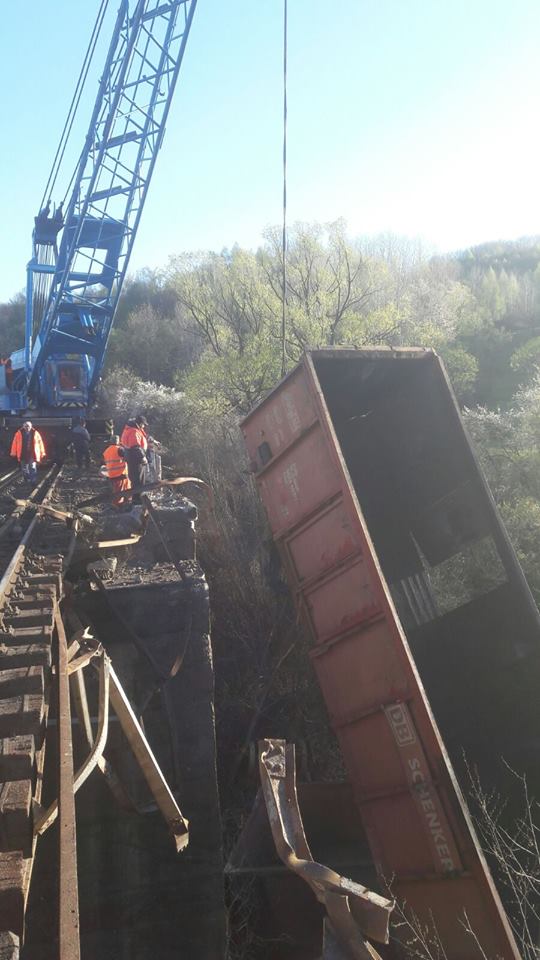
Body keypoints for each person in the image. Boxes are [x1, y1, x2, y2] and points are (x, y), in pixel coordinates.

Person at [120, 414, 148, 505]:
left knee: (135, 480)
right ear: (139, 423)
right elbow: (135, 446)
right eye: (143, 424)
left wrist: (153, 441)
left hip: (132, 458)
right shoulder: (134, 431)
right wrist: (142, 457)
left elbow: (143, 437)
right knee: (138, 481)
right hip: (136, 459)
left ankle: (137, 500)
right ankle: (137, 502)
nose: (144, 426)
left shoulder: (131, 429)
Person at [102, 436, 130, 507]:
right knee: (121, 493)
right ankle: (117, 507)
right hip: (120, 474)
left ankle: (121, 505)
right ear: (118, 441)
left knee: (118, 491)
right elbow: (128, 457)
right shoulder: (120, 449)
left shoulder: (106, 451)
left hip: (111, 474)